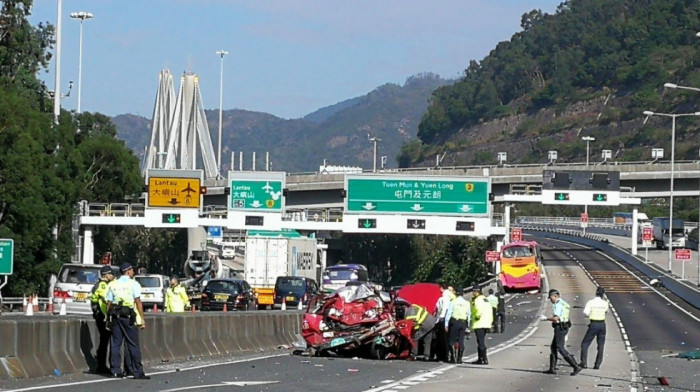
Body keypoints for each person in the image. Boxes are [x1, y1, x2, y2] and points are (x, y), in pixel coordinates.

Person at [106, 263, 150, 380]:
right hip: (128, 316)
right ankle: (137, 372)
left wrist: (108, 318)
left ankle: (115, 370)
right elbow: (138, 301)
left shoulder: (113, 284)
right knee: (133, 344)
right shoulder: (133, 284)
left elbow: (109, 303)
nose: (133, 272)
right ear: (128, 271)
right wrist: (142, 318)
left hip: (115, 315)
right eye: (132, 270)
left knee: (115, 343)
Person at [540, 289, 582, 376]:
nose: (550, 300)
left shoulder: (558, 305)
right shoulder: (563, 303)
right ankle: (552, 368)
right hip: (564, 326)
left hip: (560, 327)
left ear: (555, 296)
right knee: (553, 347)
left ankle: (575, 366)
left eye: (551, 298)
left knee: (560, 347)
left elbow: (556, 318)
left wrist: (546, 318)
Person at [90, 265, 115, 374]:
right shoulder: (102, 285)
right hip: (102, 316)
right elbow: (107, 299)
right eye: (111, 274)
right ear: (106, 275)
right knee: (104, 340)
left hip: (103, 315)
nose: (112, 276)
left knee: (105, 340)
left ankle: (102, 364)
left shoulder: (104, 284)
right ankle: (101, 365)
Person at [579, 287, 609, 370]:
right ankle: (597, 364)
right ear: (603, 294)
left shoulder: (591, 302)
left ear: (596, 293)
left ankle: (584, 362)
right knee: (600, 345)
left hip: (594, 324)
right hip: (602, 324)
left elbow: (586, 312)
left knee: (585, 343)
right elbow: (606, 311)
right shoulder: (605, 303)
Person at [445, 287, 470, 364]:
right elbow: (468, 315)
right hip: (463, 323)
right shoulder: (467, 303)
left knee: (451, 341)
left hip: (455, 322)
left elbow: (449, 313)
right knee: (461, 341)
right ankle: (459, 359)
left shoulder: (453, 302)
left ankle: (453, 358)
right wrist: (468, 326)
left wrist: (446, 324)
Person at [470, 285, 493, 365]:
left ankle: (483, 359)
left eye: (473, 292)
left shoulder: (478, 300)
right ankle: (482, 358)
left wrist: (476, 317)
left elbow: (478, 311)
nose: (472, 293)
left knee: (480, 342)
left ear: (476, 292)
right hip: (486, 323)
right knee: (481, 341)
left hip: (479, 323)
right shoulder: (485, 299)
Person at [433, 284, 455, 361]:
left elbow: (441, 309)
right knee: (449, 339)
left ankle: (444, 356)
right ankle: (450, 356)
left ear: (442, 288)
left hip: (443, 320)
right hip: (452, 319)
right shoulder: (452, 296)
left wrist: (439, 319)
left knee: (442, 340)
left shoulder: (443, 297)